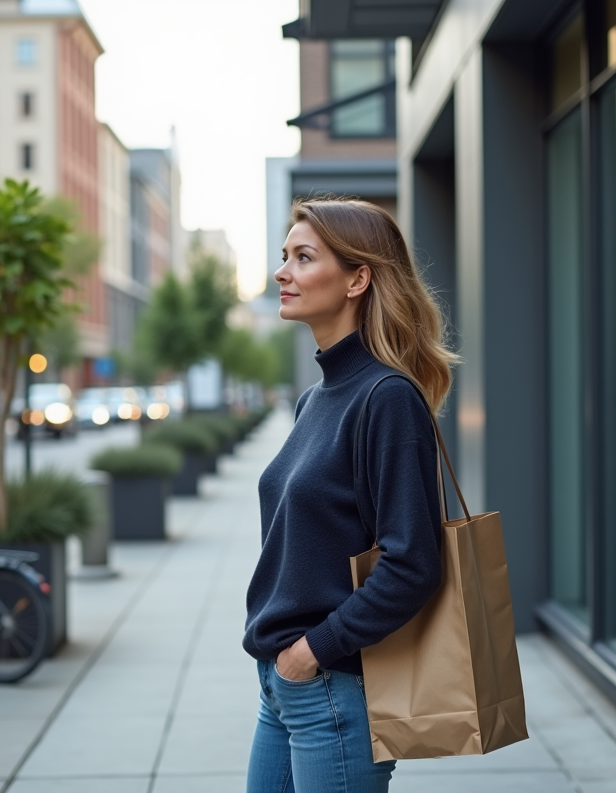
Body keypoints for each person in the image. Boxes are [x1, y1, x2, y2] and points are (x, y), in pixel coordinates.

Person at [244, 198, 457, 793]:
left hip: (332, 688)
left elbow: (414, 563)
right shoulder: (317, 399)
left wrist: (313, 651)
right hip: (284, 686)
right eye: (283, 256)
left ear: (358, 278)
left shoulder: (385, 398)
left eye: (303, 258)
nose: (282, 272)